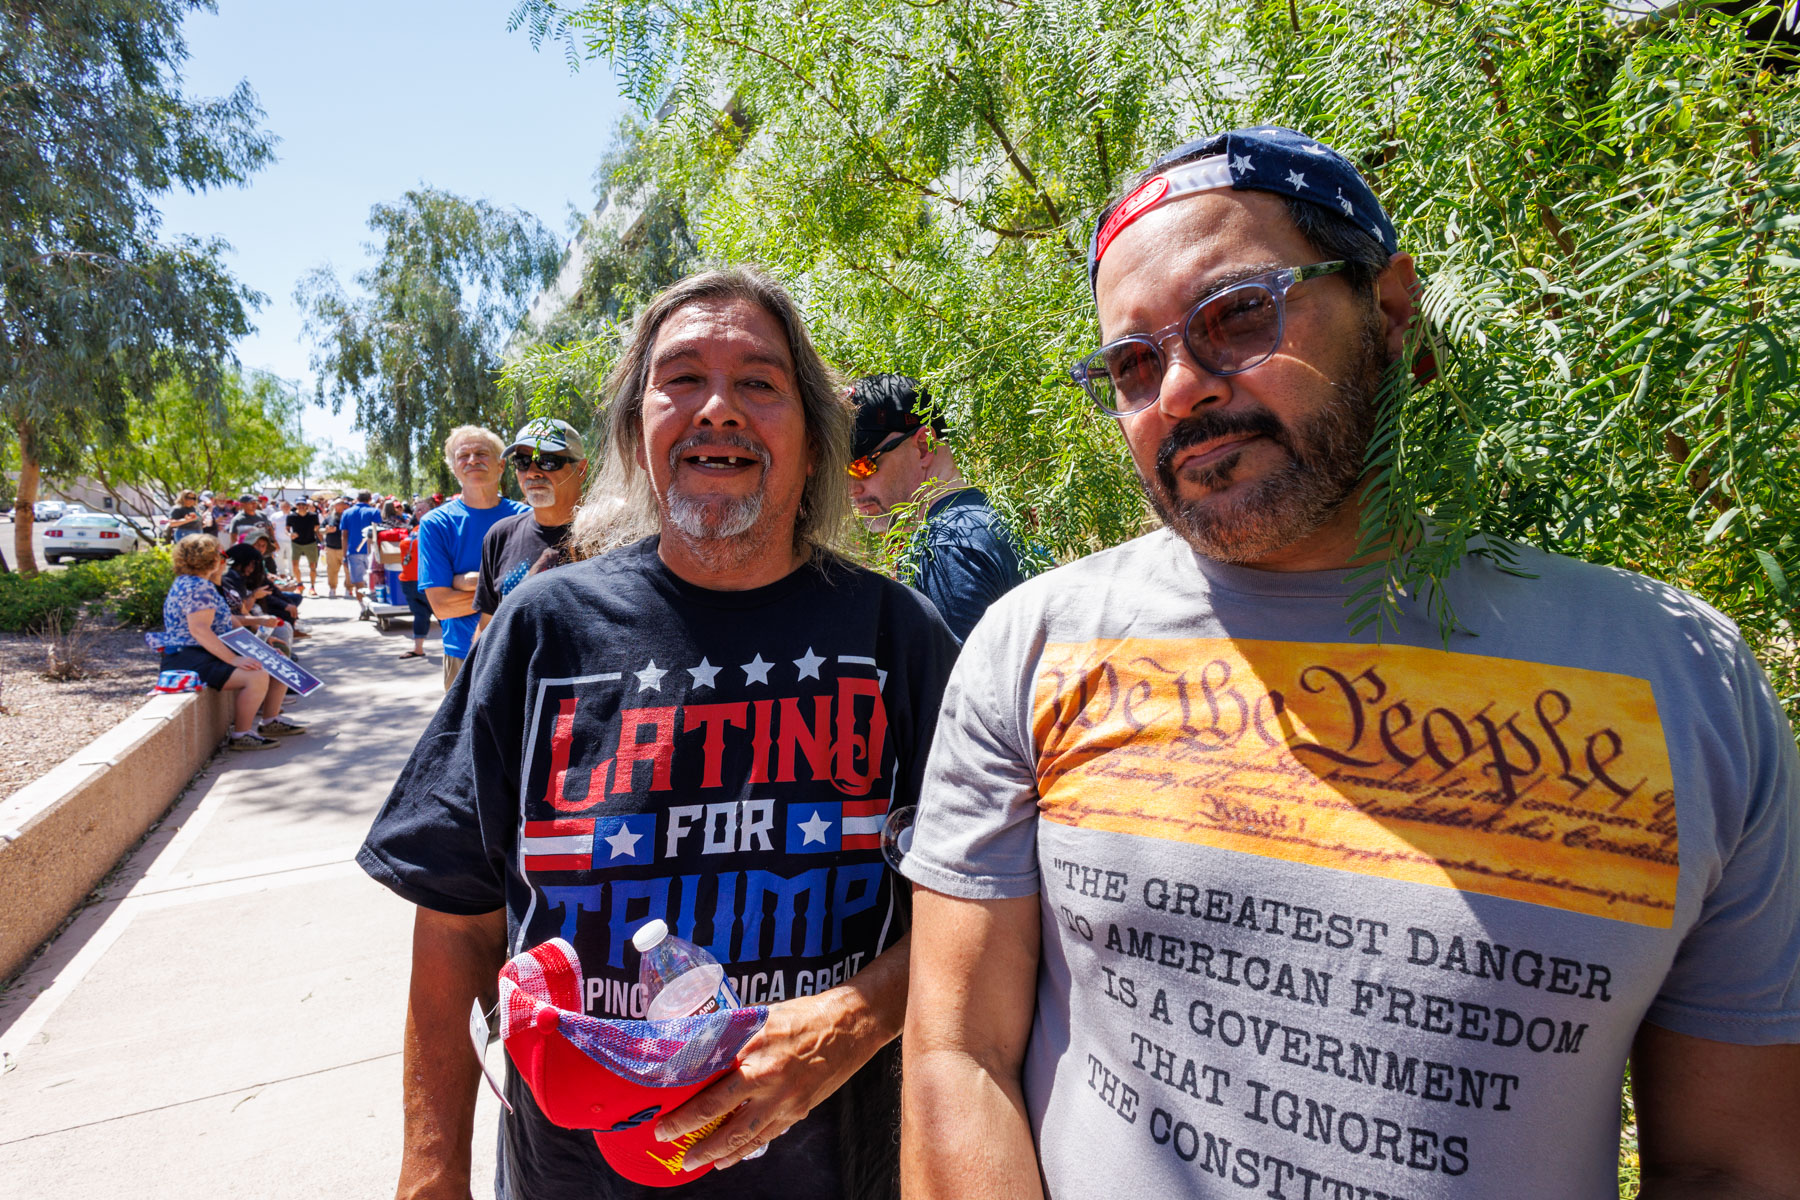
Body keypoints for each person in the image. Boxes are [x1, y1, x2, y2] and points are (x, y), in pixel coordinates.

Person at [899, 126, 1800, 1199]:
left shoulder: (1685, 679)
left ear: (1391, 310)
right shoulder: (1032, 648)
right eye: (1132, 365)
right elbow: (957, 1055)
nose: (1179, 390)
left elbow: (1734, 1158)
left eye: (1237, 315)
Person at [358, 267, 959, 1200]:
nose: (718, 407)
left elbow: (985, 912)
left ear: (810, 441)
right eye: (681, 378)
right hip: (574, 1178)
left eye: (759, 382)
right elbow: (455, 920)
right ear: (638, 437)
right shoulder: (542, 631)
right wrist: (430, 1171)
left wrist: (855, 1017)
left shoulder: (897, 638)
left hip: (837, 1173)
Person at [846, 373, 1029, 641]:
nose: (852, 488)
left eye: (861, 466)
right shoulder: (982, 516)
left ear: (923, 446)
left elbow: (956, 682)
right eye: (840, 472)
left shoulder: (946, 546)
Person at [152, 535, 302, 749]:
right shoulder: (198, 587)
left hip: (201, 652)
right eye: (220, 554)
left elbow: (227, 621)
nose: (224, 559)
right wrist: (234, 660)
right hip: (191, 657)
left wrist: (260, 645)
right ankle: (241, 735)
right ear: (210, 559)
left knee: (276, 660)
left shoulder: (198, 584)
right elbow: (199, 630)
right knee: (256, 674)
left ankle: (271, 721)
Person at [415, 427, 527, 689]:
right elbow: (442, 606)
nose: (472, 460)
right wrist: (507, 591)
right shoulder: (436, 524)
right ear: (454, 468)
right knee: (466, 731)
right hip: (463, 653)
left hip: (524, 647)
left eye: (481, 453)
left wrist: (467, 582)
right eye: (463, 455)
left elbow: (540, 590)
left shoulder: (527, 516)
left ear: (501, 465)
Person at [474, 417, 589, 636]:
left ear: (581, 470)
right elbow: (488, 625)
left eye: (547, 461)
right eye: (523, 462)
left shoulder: (611, 536)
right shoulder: (500, 536)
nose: (532, 472)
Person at [338, 490, 383, 602]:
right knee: (374, 579)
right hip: (372, 551)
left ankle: (363, 607)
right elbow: (379, 532)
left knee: (359, 582)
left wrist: (344, 555)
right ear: (369, 499)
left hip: (353, 551)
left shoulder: (347, 513)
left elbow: (344, 535)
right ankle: (373, 602)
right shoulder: (374, 512)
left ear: (357, 499)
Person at [287, 497, 322, 594]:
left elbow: (316, 528)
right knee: (295, 565)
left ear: (307, 505)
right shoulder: (291, 516)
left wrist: (322, 541)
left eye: (303, 504)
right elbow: (287, 529)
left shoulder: (313, 516)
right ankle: (299, 584)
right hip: (296, 543)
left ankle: (312, 587)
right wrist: (290, 534)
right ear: (296, 505)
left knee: (312, 566)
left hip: (310, 542)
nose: (301, 506)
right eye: (299, 504)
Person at [321, 496, 349, 599]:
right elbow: (320, 530)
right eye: (336, 505)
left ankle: (349, 589)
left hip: (344, 548)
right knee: (332, 570)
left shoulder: (348, 517)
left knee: (348, 570)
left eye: (340, 504)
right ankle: (332, 588)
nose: (337, 507)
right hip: (331, 548)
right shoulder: (329, 517)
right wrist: (326, 530)